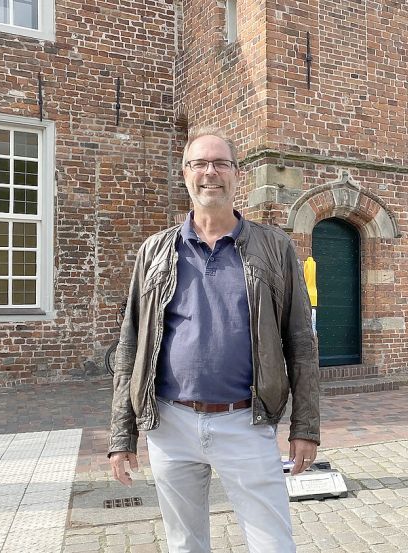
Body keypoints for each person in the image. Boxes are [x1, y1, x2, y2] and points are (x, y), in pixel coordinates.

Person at [109, 125, 320, 553]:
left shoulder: (273, 247)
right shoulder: (155, 251)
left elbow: (301, 341)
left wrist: (305, 428)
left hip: (246, 421)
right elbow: (131, 343)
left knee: (273, 543)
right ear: (185, 174)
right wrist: (121, 436)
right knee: (185, 544)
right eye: (200, 164)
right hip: (170, 423)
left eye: (221, 163)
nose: (211, 173)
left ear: (237, 174)